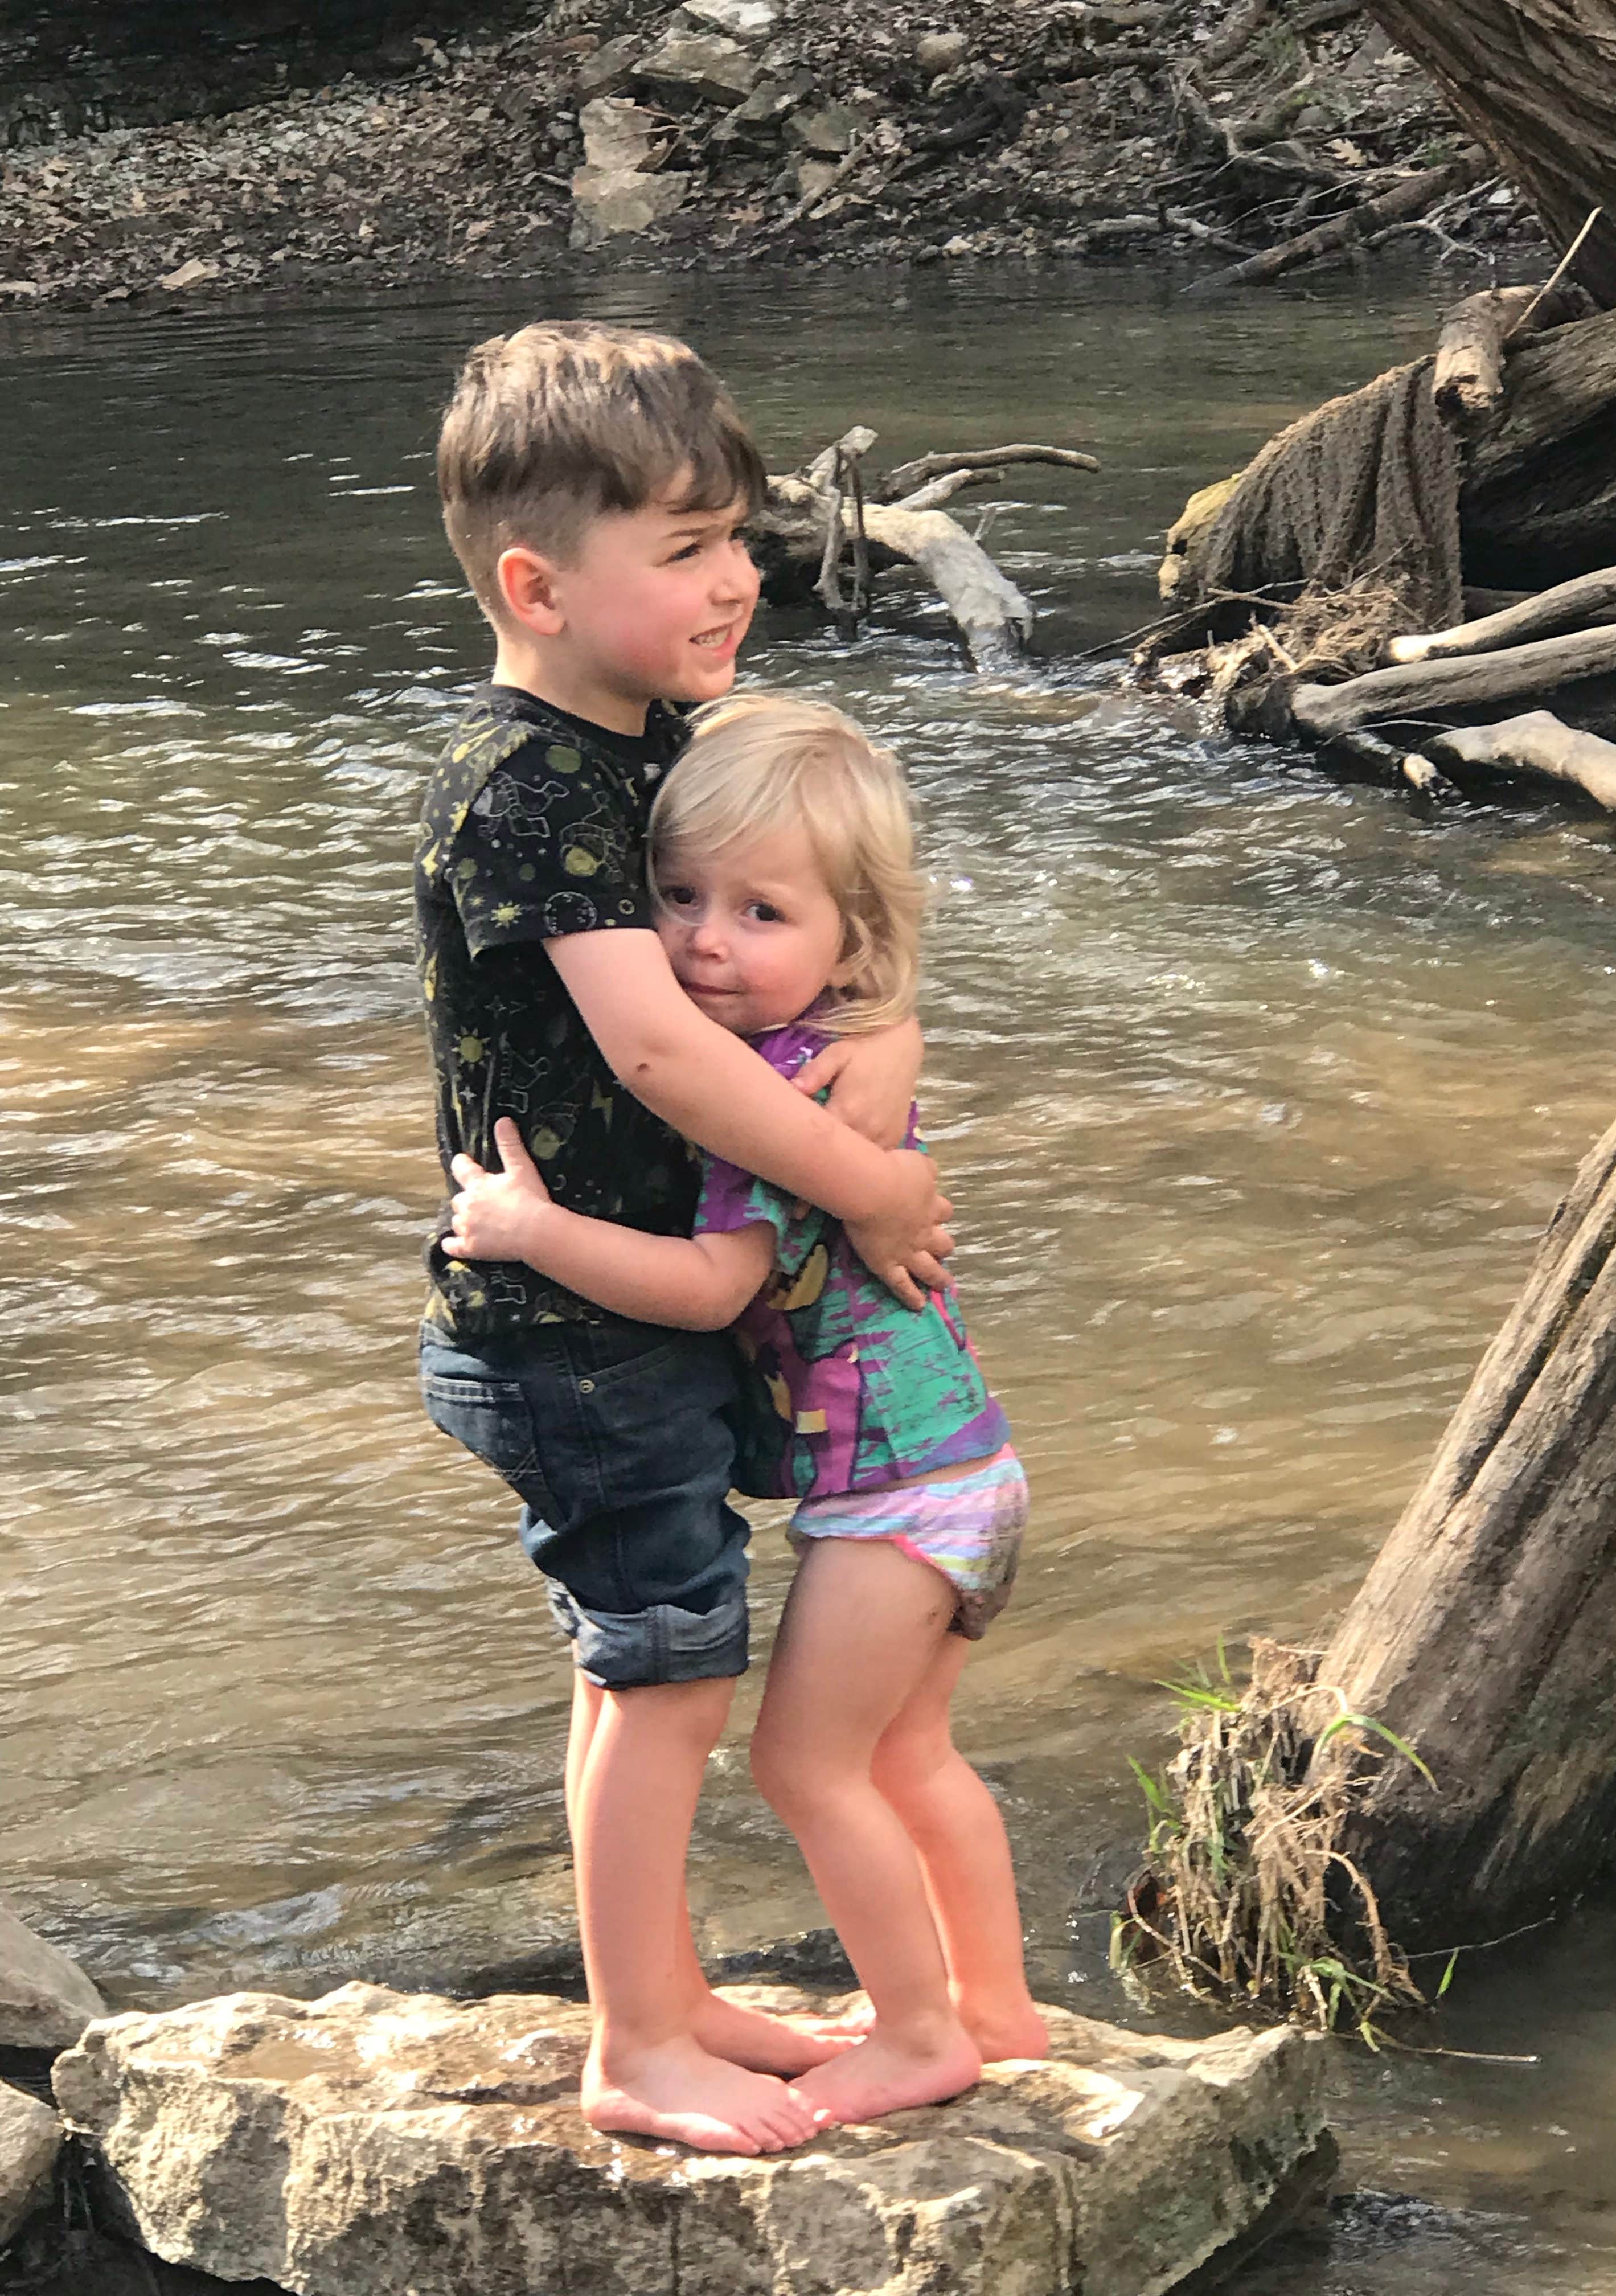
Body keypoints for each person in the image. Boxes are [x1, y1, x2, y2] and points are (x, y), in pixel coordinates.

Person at [415, 321, 955, 2158]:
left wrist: (881, 1061)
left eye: (737, 535)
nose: (741, 577)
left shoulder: (653, 741)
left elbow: (830, 933)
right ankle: (635, 2045)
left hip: (644, 1310)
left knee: (636, 1666)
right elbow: (651, 1047)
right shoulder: (529, 789)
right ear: (537, 586)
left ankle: (660, 1987)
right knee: (672, 1673)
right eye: (686, 547)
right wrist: (870, 1187)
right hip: (565, 1319)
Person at [446, 692, 1049, 2126]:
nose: (707, 940)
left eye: (761, 912)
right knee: (907, 1753)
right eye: (677, 897)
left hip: (900, 1497)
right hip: (967, 1469)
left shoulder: (771, 1100)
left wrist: (536, 1235)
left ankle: (917, 2035)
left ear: (856, 940)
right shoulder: (846, 1044)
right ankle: (993, 2005)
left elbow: (713, 1290)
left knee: (802, 1762)